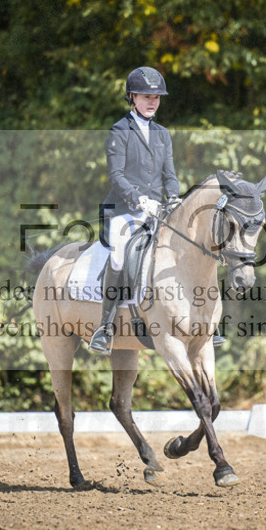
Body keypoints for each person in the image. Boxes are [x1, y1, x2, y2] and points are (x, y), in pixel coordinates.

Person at [88, 66, 181, 355]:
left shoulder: (163, 134)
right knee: (118, 256)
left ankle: (201, 323)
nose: (152, 101)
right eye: (146, 96)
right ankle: (104, 327)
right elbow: (116, 177)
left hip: (157, 211)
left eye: (157, 97)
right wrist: (140, 200)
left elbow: (170, 174)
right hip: (124, 211)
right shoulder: (120, 131)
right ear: (132, 97)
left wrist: (175, 196)